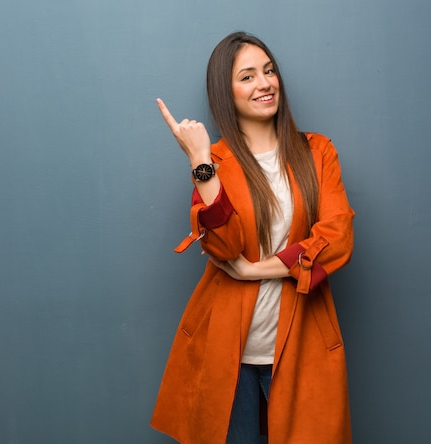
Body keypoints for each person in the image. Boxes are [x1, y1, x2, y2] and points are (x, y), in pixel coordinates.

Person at [150, 31, 354, 444]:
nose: (264, 83)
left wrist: (256, 270)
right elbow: (224, 246)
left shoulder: (317, 152)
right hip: (227, 349)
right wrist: (199, 161)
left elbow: (337, 237)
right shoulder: (216, 162)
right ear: (226, 93)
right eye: (247, 76)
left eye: (269, 71)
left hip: (303, 342)